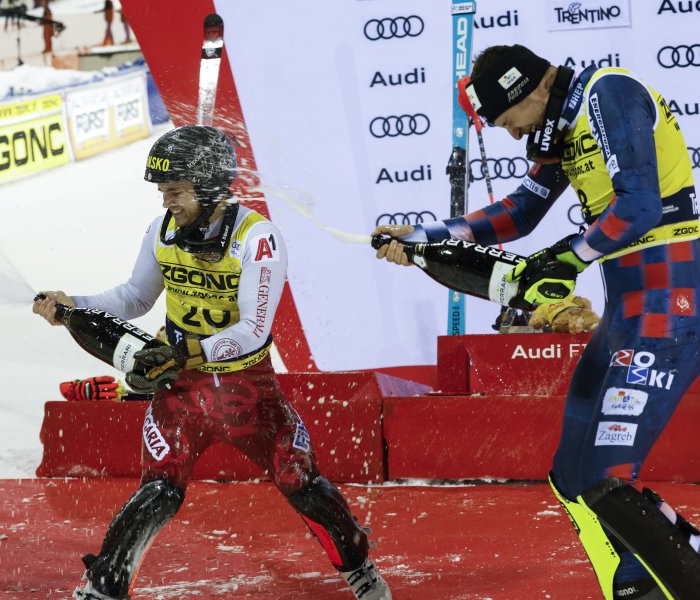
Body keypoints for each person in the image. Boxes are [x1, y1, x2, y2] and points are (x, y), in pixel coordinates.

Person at [374, 44, 699, 599]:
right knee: (571, 475)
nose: (513, 136)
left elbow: (640, 206)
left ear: (533, 91)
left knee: (603, 478)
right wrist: (425, 237)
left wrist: (568, 258)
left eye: (509, 121)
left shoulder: (608, 93)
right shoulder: (559, 127)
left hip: (671, 304)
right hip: (629, 310)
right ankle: (634, 584)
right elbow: (519, 214)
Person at [34, 125, 392, 600]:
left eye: (176, 192)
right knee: (158, 490)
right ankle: (102, 589)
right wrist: (72, 303)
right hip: (180, 392)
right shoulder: (162, 230)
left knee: (300, 483)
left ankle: (358, 567)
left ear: (208, 188)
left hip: (247, 392)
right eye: (163, 192)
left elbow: (253, 331)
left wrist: (186, 352)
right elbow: (135, 297)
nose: (167, 203)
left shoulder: (258, 239)